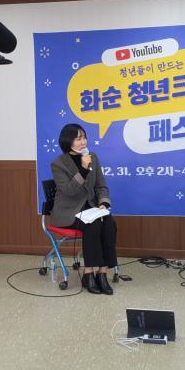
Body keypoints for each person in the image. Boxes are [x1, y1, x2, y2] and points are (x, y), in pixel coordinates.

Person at [50, 123, 118, 295]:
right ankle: (88, 274)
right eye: (78, 138)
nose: (83, 142)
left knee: (109, 222)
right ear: (68, 141)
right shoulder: (58, 164)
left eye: (84, 137)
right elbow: (69, 191)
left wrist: (104, 203)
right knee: (93, 225)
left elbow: (101, 186)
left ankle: (102, 273)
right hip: (69, 211)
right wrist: (83, 169)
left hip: (91, 208)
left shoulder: (92, 157)